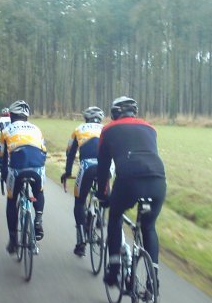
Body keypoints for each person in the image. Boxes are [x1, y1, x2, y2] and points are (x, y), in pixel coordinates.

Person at [96, 96, 166, 287]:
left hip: (129, 181)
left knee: (115, 215)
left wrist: (103, 194)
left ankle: (114, 267)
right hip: (158, 181)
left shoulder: (108, 129)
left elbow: (103, 168)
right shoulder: (150, 128)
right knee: (149, 226)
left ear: (115, 113)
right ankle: (153, 282)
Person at [0, 100, 47, 253]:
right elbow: (44, 151)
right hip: (37, 167)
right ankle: (38, 219)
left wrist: (4, 174)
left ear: (11, 115)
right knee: (39, 192)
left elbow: (1, 155)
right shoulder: (36, 129)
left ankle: (13, 241)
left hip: (17, 169)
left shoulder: (6, 130)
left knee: (12, 201)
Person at [60, 106, 104, 257]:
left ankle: (81, 243)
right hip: (107, 167)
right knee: (105, 193)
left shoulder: (78, 129)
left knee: (79, 202)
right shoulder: (106, 129)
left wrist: (68, 172)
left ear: (86, 119)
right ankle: (100, 219)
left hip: (88, 166)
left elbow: (70, 153)